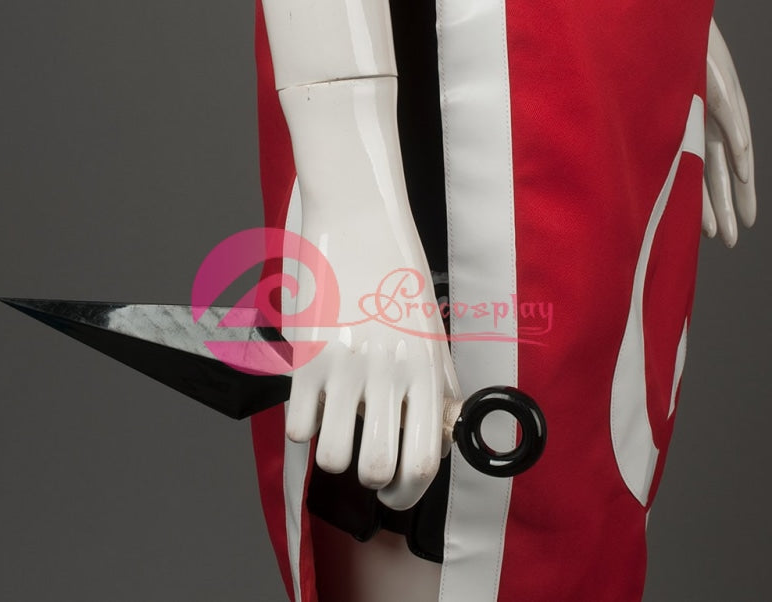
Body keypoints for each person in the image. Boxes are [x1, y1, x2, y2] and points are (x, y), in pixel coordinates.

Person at [250, 1, 757, 600]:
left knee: (594, 493)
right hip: (457, 80)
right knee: (468, 512)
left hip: (612, 76)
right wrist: (353, 187)